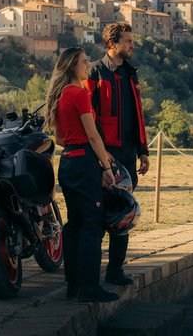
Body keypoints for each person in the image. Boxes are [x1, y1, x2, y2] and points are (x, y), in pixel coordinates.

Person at [45, 47, 119, 303]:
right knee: (92, 224)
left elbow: (60, 137)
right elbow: (92, 134)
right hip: (85, 164)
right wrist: (106, 167)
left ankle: (73, 284)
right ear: (72, 66)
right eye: (84, 62)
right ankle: (89, 286)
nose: (88, 65)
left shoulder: (59, 94)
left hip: (67, 163)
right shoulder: (78, 93)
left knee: (75, 224)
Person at [84, 22, 150, 286]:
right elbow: (88, 116)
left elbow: (137, 115)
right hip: (104, 157)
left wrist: (143, 151)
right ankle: (90, 276)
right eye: (128, 41)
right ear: (112, 44)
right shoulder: (94, 72)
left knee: (124, 213)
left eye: (132, 41)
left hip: (128, 156)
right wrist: (101, 155)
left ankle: (115, 271)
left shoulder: (131, 73)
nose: (132, 45)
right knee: (100, 214)